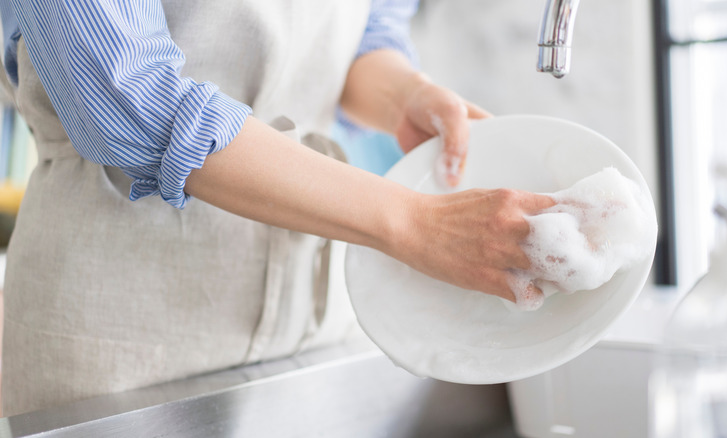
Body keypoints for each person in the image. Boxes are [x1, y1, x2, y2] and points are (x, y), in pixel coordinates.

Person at [0, 0, 552, 416]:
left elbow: (367, 30)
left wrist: (404, 93)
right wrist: (412, 222)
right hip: (123, 321)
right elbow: (133, 100)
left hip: (314, 315)